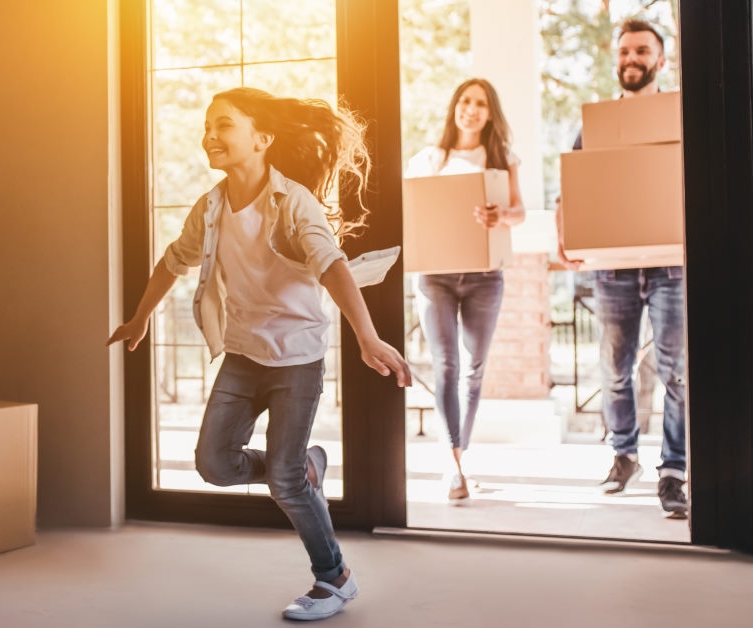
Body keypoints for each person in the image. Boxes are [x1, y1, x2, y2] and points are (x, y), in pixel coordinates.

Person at [107, 87, 411, 621]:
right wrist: (140, 318)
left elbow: (332, 265)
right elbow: (173, 260)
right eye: (207, 126)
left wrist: (366, 337)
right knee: (213, 464)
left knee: (285, 483)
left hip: (297, 359)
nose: (210, 135)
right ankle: (300, 467)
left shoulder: (293, 201)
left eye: (224, 124)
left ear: (262, 139)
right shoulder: (210, 207)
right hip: (243, 355)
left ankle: (334, 578)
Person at [556, 18, 688, 519]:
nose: (632, 59)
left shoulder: (678, 118)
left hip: (670, 264)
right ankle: (624, 455)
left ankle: (674, 471)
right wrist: (566, 239)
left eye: (642, 51)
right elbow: (572, 188)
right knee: (614, 370)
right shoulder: (595, 125)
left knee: (678, 373)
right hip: (612, 268)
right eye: (625, 51)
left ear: (661, 60)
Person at [404, 78, 526, 504]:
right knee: (446, 366)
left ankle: (459, 456)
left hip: (484, 276)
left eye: (480, 104)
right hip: (435, 276)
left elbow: (519, 211)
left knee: (473, 369)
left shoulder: (501, 158)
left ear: (490, 114)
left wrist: (501, 215)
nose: (471, 109)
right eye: (465, 101)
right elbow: (411, 209)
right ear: (454, 106)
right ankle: (453, 464)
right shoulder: (429, 159)